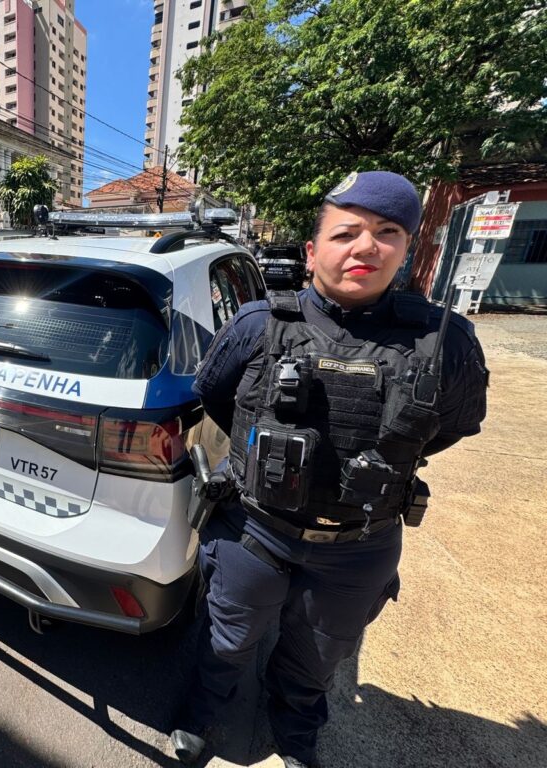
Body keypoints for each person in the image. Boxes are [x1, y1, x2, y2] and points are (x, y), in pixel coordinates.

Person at [170, 171, 489, 767]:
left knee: (318, 655)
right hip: (254, 530)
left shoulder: (446, 343)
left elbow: (448, 427)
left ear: (407, 249)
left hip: (358, 545)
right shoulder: (257, 325)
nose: (366, 247)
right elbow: (215, 397)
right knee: (227, 638)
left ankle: (295, 733)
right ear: (313, 251)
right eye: (347, 233)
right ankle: (200, 714)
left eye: (386, 232)